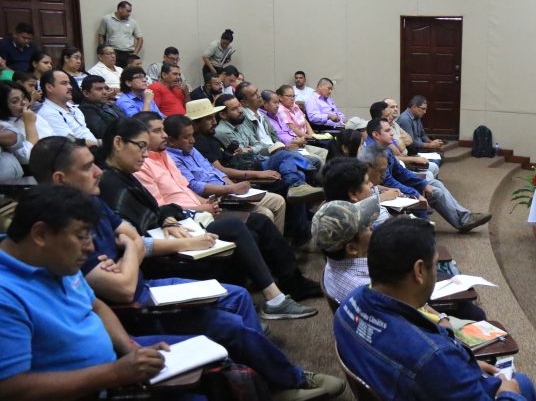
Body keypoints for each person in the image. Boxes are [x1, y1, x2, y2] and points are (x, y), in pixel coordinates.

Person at [28, 138, 345, 398]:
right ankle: (276, 379)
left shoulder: (90, 202)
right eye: (87, 167)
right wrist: (132, 249)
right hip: (136, 305)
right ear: (60, 179)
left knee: (235, 295)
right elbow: (122, 284)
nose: (96, 172)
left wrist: (131, 247)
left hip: (140, 286)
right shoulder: (59, 232)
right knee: (230, 323)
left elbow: (128, 232)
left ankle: (261, 377)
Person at [98, 116, 322, 308]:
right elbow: (136, 236)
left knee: (259, 222)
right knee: (244, 226)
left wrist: (169, 217)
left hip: (185, 220)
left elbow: (163, 205)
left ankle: (288, 282)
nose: (145, 153)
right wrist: (185, 228)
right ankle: (271, 296)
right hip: (173, 242)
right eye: (141, 145)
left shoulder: (134, 170)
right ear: (118, 143)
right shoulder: (115, 182)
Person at [0, 185, 184, 400]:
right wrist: (114, 374)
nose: (89, 248)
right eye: (82, 237)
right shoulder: (6, 294)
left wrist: (130, 349)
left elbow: (96, 305)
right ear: (40, 234)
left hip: (115, 373)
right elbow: (11, 388)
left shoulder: (54, 259)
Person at [334, 217, 536, 401]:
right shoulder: (434, 357)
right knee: (522, 384)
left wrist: (460, 366)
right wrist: (508, 395)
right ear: (419, 270)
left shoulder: (348, 305)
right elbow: (429, 359)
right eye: (435, 264)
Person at [164, 114, 288, 233]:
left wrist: (233, 187)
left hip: (228, 191)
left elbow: (214, 171)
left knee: (278, 201)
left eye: (192, 135)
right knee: (264, 213)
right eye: (186, 137)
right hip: (213, 198)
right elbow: (193, 185)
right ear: (171, 141)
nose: (192, 140)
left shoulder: (192, 148)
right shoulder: (172, 158)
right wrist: (230, 188)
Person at [367, 118, 491, 233]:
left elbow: (401, 172)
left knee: (434, 183)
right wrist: (415, 193)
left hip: (395, 183)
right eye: (388, 131)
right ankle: (461, 222)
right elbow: (388, 182)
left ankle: (465, 217)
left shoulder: (384, 147)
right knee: (435, 192)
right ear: (376, 135)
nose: (392, 134)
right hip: (385, 191)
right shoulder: (374, 153)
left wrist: (423, 184)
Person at [371, 100, 438, 179]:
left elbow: (409, 140)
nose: (391, 116)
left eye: (396, 106)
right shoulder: (379, 135)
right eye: (387, 115)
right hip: (401, 166)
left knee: (434, 167)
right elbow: (395, 156)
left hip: (405, 160)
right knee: (429, 174)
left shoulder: (394, 124)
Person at [261, 89, 328, 165]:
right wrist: (293, 141)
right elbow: (276, 138)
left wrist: (298, 139)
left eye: (278, 103)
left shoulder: (277, 115)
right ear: (265, 103)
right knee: (317, 160)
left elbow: (289, 130)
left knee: (325, 152)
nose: (277, 106)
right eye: (274, 103)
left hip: (298, 143)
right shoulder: (264, 118)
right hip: (287, 148)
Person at [0, 81, 53, 166]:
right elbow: (28, 157)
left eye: (24, 97)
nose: (24, 103)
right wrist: (30, 124)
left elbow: (53, 136)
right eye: (15, 101)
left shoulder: (31, 115)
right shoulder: (5, 127)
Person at [37, 69, 97, 145]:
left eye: (69, 83)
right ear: (49, 87)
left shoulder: (74, 108)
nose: (70, 87)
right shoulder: (47, 113)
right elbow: (70, 140)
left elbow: (84, 132)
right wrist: (98, 144)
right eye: (64, 83)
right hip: (78, 153)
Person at [78, 74, 126, 140]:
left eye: (105, 88)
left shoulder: (108, 104)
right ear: (86, 93)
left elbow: (127, 120)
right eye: (99, 89)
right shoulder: (86, 110)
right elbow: (104, 133)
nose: (105, 92)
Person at [96, 1, 143, 68]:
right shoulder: (106, 19)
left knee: (128, 75)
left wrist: (135, 54)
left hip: (128, 53)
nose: (129, 13)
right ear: (120, 9)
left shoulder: (132, 22)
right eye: (128, 11)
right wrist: (102, 51)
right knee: (113, 73)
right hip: (113, 53)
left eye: (130, 11)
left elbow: (140, 39)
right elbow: (101, 35)